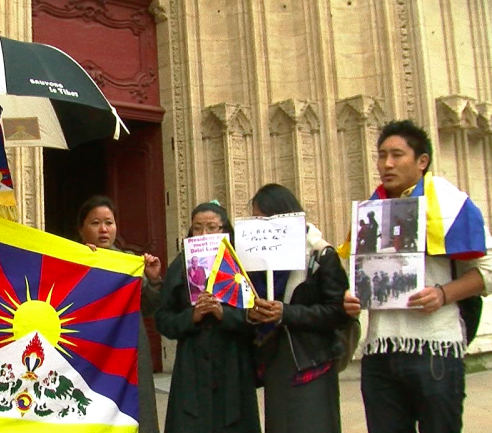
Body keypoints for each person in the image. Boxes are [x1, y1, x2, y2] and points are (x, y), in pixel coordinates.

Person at [343, 120, 492, 433]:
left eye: (397, 155)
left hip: (435, 349)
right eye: (381, 155)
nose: (387, 164)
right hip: (380, 352)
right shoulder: (372, 210)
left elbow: (488, 269)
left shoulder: (451, 205)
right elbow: (358, 275)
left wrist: (442, 293)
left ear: (422, 161)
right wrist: (351, 297)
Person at [246, 184, 349, 433]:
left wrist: (286, 312)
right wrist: (252, 313)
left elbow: (337, 312)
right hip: (274, 361)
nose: (262, 229)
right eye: (256, 221)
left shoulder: (320, 256)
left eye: (266, 220)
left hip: (311, 358)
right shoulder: (254, 263)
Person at [155, 202, 261, 433]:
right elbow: (163, 319)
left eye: (212, 227)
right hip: (192, 365)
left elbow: (258, 317)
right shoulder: (181, 265)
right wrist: (192, 317)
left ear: (225, 231)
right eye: (197, 228)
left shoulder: (242, 265)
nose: (204, 234)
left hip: (233, 362)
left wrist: (225, 314)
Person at [76, 196, 162, 433]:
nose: (103, 229)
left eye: (109, 222)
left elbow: (151, 307)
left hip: (130, 348)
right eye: (95, 223)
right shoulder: (72, 260)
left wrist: (153, 280)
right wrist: (83, 262)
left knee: (135, 409)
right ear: (81, 229)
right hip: (90, 350)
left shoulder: (129, 263)